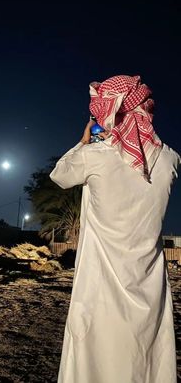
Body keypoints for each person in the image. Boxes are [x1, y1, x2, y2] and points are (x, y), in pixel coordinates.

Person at [50, 75, 180, 383]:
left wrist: (83, 142)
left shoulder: (96, 156)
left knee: (94, 358)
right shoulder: (171, 159)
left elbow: (60, 175)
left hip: (100, 287)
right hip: (149, 286)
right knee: (145, 359)